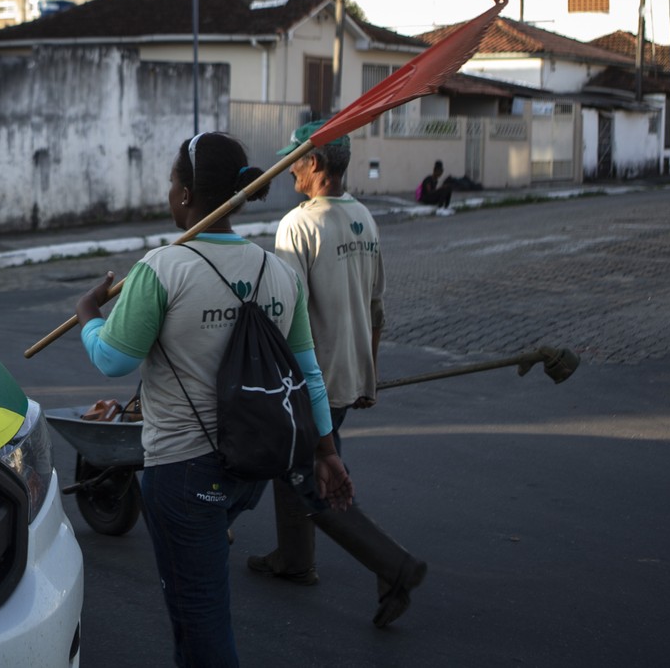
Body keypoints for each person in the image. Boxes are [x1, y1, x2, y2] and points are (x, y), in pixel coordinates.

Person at [74, 131, 353, 668]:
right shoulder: (279, 271)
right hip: (251, 466)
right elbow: (309, 373)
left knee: (200, 623)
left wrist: (89, 316)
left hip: (183, 473)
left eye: (171, 181)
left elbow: (113, 360)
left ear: (185, 195)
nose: (169, 191)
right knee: (194, 615)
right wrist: (326, 451)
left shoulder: (161, 270)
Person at [247, 120, 428, 629]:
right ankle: (294, 559)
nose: (290, 172)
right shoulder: (364, 218)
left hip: (310, 380)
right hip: (348, 376)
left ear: (317, 166)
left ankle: (395, 566)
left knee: (312, 478)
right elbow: (376, 308)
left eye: (296, 162)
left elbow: (287, 314)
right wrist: (367, 377)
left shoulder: (298, 225)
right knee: (298, 466)